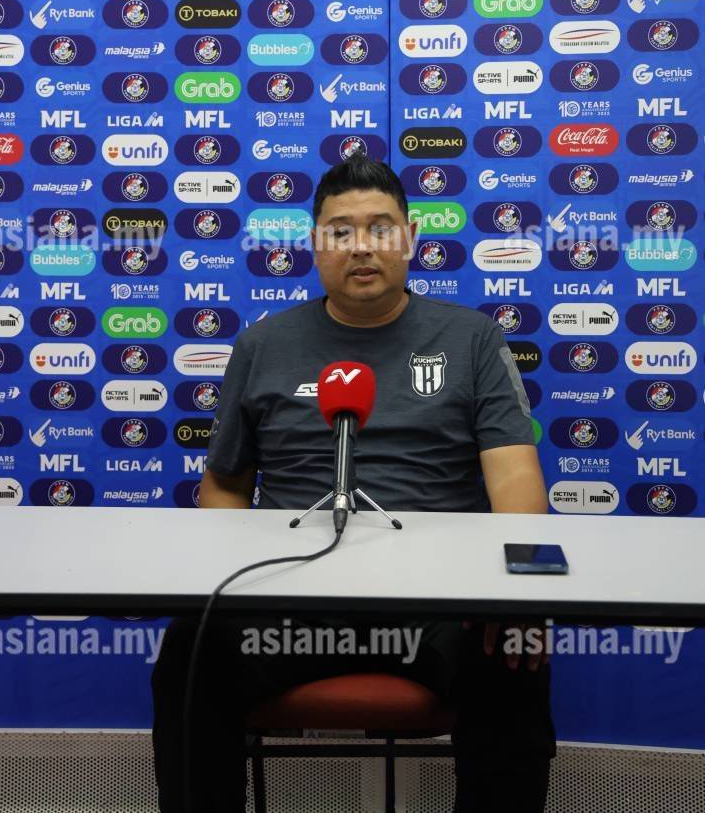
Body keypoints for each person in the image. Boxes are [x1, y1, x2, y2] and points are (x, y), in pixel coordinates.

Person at [152, 156, 556, 813]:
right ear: (316, 243)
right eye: (341, 231)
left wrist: (516, 592)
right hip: (292, 604)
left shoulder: (472, 339)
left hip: (436, 605)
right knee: (191, 652)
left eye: (381, 227)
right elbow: (224, 488)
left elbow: (515, 476)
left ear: (411, 237)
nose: (362, 246)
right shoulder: (263, 345)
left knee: (512, 649)